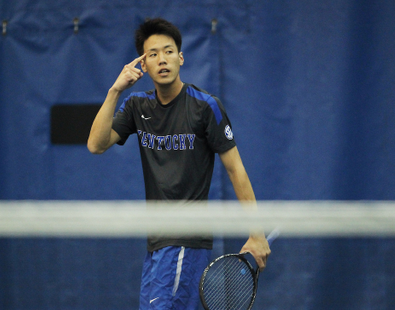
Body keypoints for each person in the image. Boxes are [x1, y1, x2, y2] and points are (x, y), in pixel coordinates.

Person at [87, 18, 270, 310]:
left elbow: (236, 169)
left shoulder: (205, 106)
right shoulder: (137, 106)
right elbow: (96, 145)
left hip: (187, 237)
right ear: (143, 65)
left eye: (169, 51)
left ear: (181, 58)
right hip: (156, 242)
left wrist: (256, 233)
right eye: (153, 54)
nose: (162, 59)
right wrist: (114, 91)